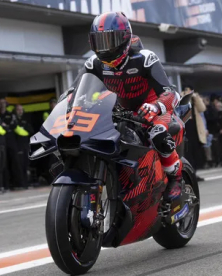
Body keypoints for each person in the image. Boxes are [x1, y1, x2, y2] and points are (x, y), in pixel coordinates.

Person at [67, 11, 187, 223]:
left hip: (150, 110)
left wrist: (157, 106)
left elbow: (171, 92)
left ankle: (176, 180)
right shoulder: (93, 63)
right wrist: (68, 106)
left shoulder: (145, 58)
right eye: (99, 41)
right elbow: (74, 92)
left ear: (124, 38)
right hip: (118, 112)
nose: (104, 47)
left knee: (158, 131)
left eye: (110, 40)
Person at [0, 98, 25, 190]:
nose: (2, 105)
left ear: (6, 104)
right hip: (1, 141)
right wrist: (5, 127)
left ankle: (19, 184)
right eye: (0, 103)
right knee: (4, 164)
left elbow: (13, 126)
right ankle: (6, 185)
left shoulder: (10, 114)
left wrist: (5, 127)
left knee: (15, 162)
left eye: (3, 103)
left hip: (11, 141)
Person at [181, 85, 207, 180]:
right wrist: (184, 96)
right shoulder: (181, 98)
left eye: (190, 90)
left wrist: (196, 97)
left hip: (195, 131)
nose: (189, 92)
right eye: (186, 90)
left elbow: (202, 108)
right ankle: (189, 176)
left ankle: (194, 174)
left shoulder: (195, 100)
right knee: (188, 154)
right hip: (185, 131)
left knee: (196, 153)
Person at [15, 104, 33, 188]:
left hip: (26, 145)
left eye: (21, 109)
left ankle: (26, 183)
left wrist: (23, 130)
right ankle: (21, 184)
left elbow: (30, 130)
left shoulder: (26, 120)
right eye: (18, 109)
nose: (20, 111)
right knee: (19, 166)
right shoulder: (14, 120)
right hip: (18, 146)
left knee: (26, 165)